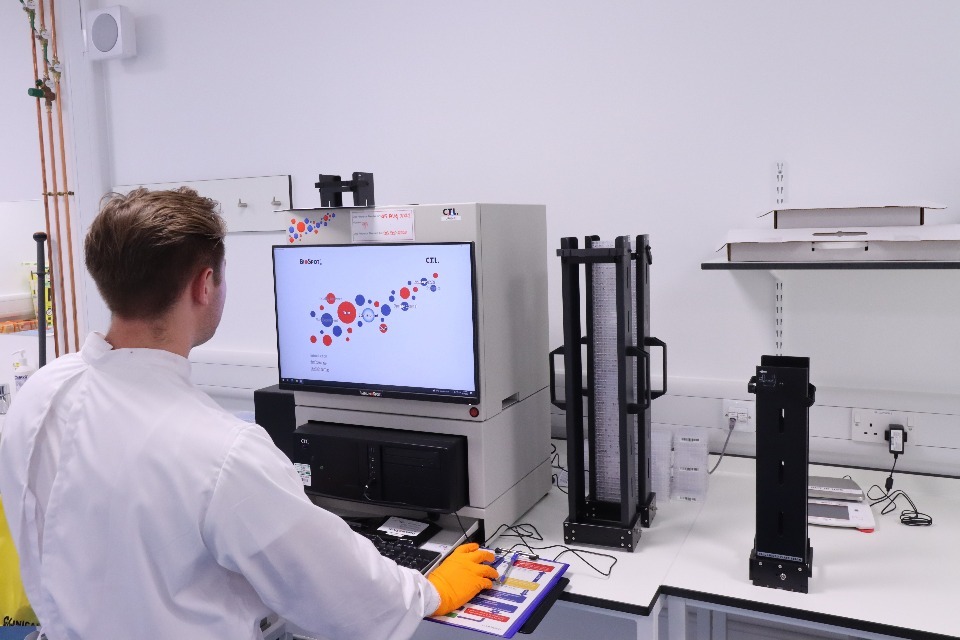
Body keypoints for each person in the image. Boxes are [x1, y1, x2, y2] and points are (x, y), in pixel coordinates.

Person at [0, 187, 497, 640]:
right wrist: (428, 591)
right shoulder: (222, 454)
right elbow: (342, 599)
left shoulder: (40, 393)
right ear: (205, 284)